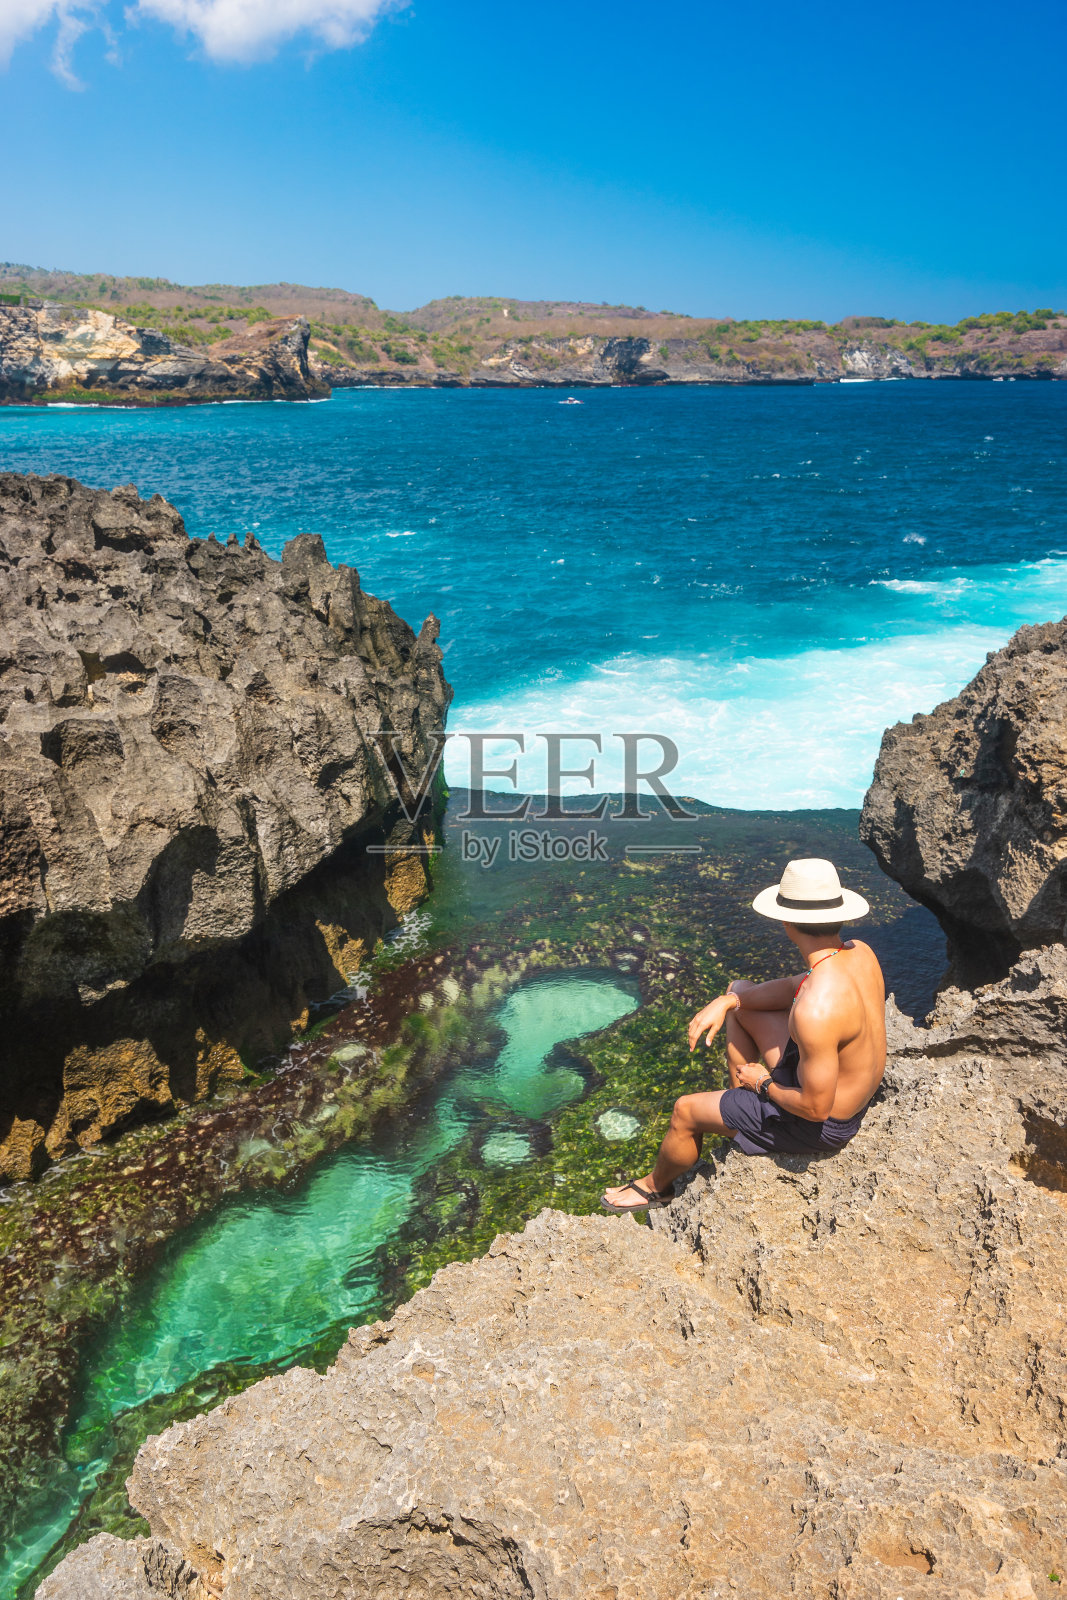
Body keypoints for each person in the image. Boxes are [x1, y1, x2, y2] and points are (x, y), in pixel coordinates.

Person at [601, 858, 886, 1212]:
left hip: (821, 1124)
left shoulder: (816, 1011)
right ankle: (740, 1108)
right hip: (841, 1087)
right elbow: (791, 986)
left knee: (684, 1111)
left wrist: (762, 1084)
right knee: (740, 994)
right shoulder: (859, 953)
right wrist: (728, 999)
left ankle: (655, 1188)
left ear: (786, 922)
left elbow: (815, 1109)